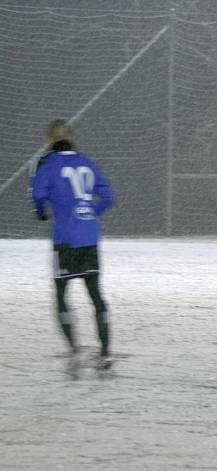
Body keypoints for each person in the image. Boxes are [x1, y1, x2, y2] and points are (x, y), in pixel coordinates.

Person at [30, 120, 115, 369]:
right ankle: (105, 352)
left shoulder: (47, 164)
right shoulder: (87, 162)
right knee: (96, 294)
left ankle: (74, 349)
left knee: (61, 294)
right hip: (89, 238)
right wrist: (89, 213)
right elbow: (109, 197)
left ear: (49, 140)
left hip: (65, 240)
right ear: (72, 138)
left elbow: (37, 195)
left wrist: (41, 212)